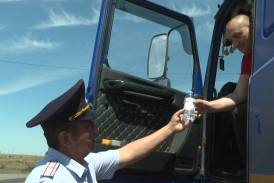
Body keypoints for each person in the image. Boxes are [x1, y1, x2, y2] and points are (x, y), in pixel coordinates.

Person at [25, 79, 193, 183]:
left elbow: (128, 152)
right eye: (88, 126)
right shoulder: (51, 180)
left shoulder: (83, 162)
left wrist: (171, 128)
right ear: (65, 139)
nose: (96, 129)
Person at [193, 14, 252, 168]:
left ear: (252, 28)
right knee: (238, 113)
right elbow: (238, 95)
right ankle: (248, 167)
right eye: (231, 41)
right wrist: (209, 106)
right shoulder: (247, 59)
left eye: (237, 36)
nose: (236, 44)